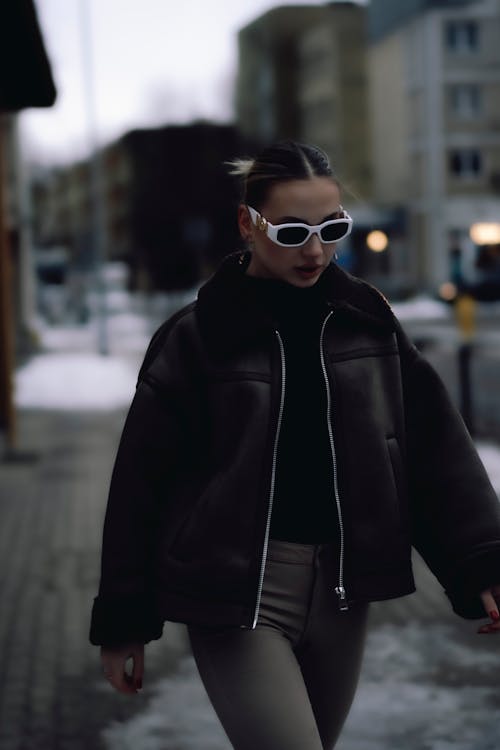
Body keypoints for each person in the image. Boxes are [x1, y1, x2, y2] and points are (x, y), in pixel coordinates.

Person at [89, 141, 500, 750]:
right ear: (246, 224)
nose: (315, 250)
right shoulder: (196, 338)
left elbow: (433, 450)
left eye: (332, 227)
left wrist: (480, 561)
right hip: (236, 593)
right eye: (291, 231)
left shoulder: (368, 320)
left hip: (344, 590)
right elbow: (139, 485)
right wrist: (124, 619)